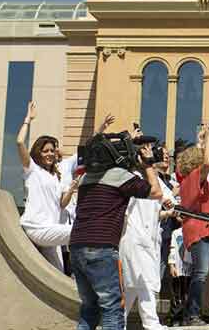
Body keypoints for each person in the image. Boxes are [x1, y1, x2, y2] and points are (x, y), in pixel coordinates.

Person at [70, 129, 163, 330]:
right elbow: (156, 192)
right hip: (101, 248)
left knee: (89, 308)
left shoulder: (86, 178)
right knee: (112, 308)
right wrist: (148, 164)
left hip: (77, 246)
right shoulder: (119, 176)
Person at [120, 138, 173, 330]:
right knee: (140, 281)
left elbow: (164, 201)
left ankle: (121, 322)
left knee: (135, 284)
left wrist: (167, 209)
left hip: (150, 238)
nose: (151, 155)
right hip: (133, 237)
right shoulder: (131, 177)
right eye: (146, 152)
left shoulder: (155, 178)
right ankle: (150, 323)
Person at [15, 102, 73, 272]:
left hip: (51, 230)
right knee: (83, 230)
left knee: (59, 275)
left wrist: (71, 189)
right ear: (39, 153)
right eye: (45, 151)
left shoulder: (56, 176)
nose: (50, 154)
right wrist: (28, 119)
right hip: (37, 227)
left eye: (52, 151)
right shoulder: (32, 170)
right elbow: (19, 142)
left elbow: (61, 204)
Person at [177, 123, 209, 326]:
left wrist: (202, 139)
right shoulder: (194, 178)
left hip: (203, 230)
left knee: (200, 273)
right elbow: (207, 163)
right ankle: (192, 314)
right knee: (201, 273)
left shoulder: (188, 180)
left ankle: (190, 313)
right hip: (199, 231)